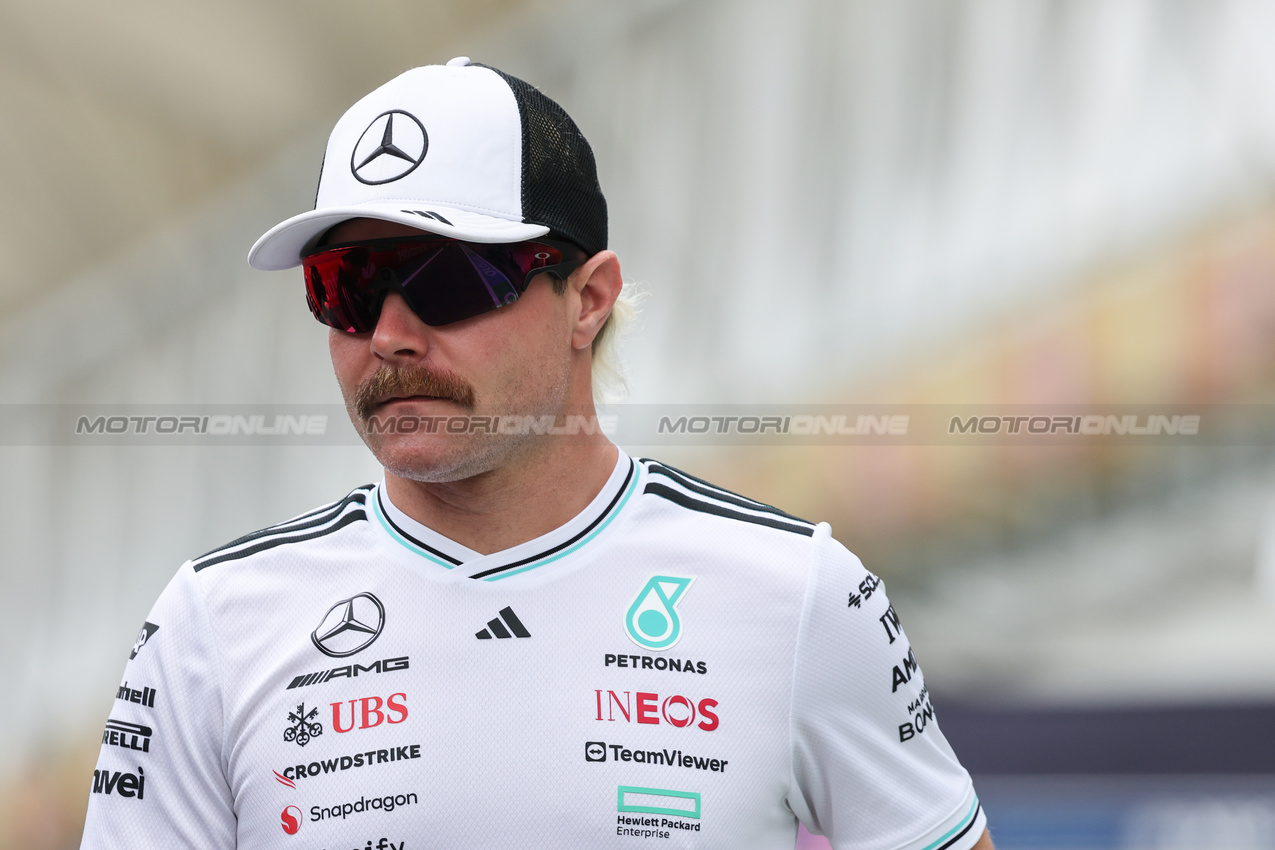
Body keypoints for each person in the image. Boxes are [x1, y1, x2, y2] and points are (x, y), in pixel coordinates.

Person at [81, 58, 993, 850]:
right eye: (345, 287)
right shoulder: (212, 623)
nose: (391, 334)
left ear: (588, 298)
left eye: (445, 277)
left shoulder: (798, 593)